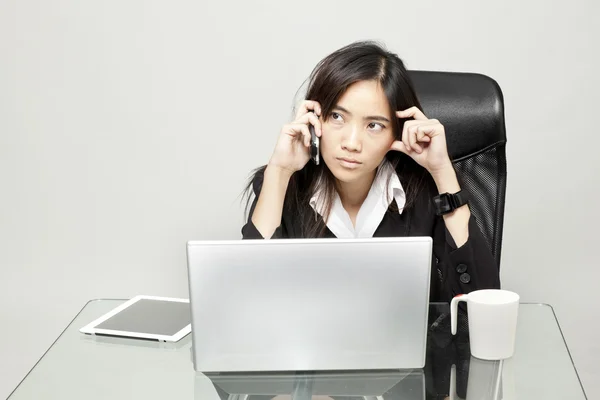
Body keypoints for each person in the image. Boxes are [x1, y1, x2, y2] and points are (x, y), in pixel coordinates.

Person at [241, 40, 500, 302]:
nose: (352, 144)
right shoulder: (283, 183)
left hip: (407, 343)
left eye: (374, 125)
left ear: (397, 132)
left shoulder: (425, 189)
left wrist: (443, 171)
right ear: (314, 118)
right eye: (337, 117)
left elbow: (483, 302)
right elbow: (249, 298)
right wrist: (280, 170)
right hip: (309, 344)